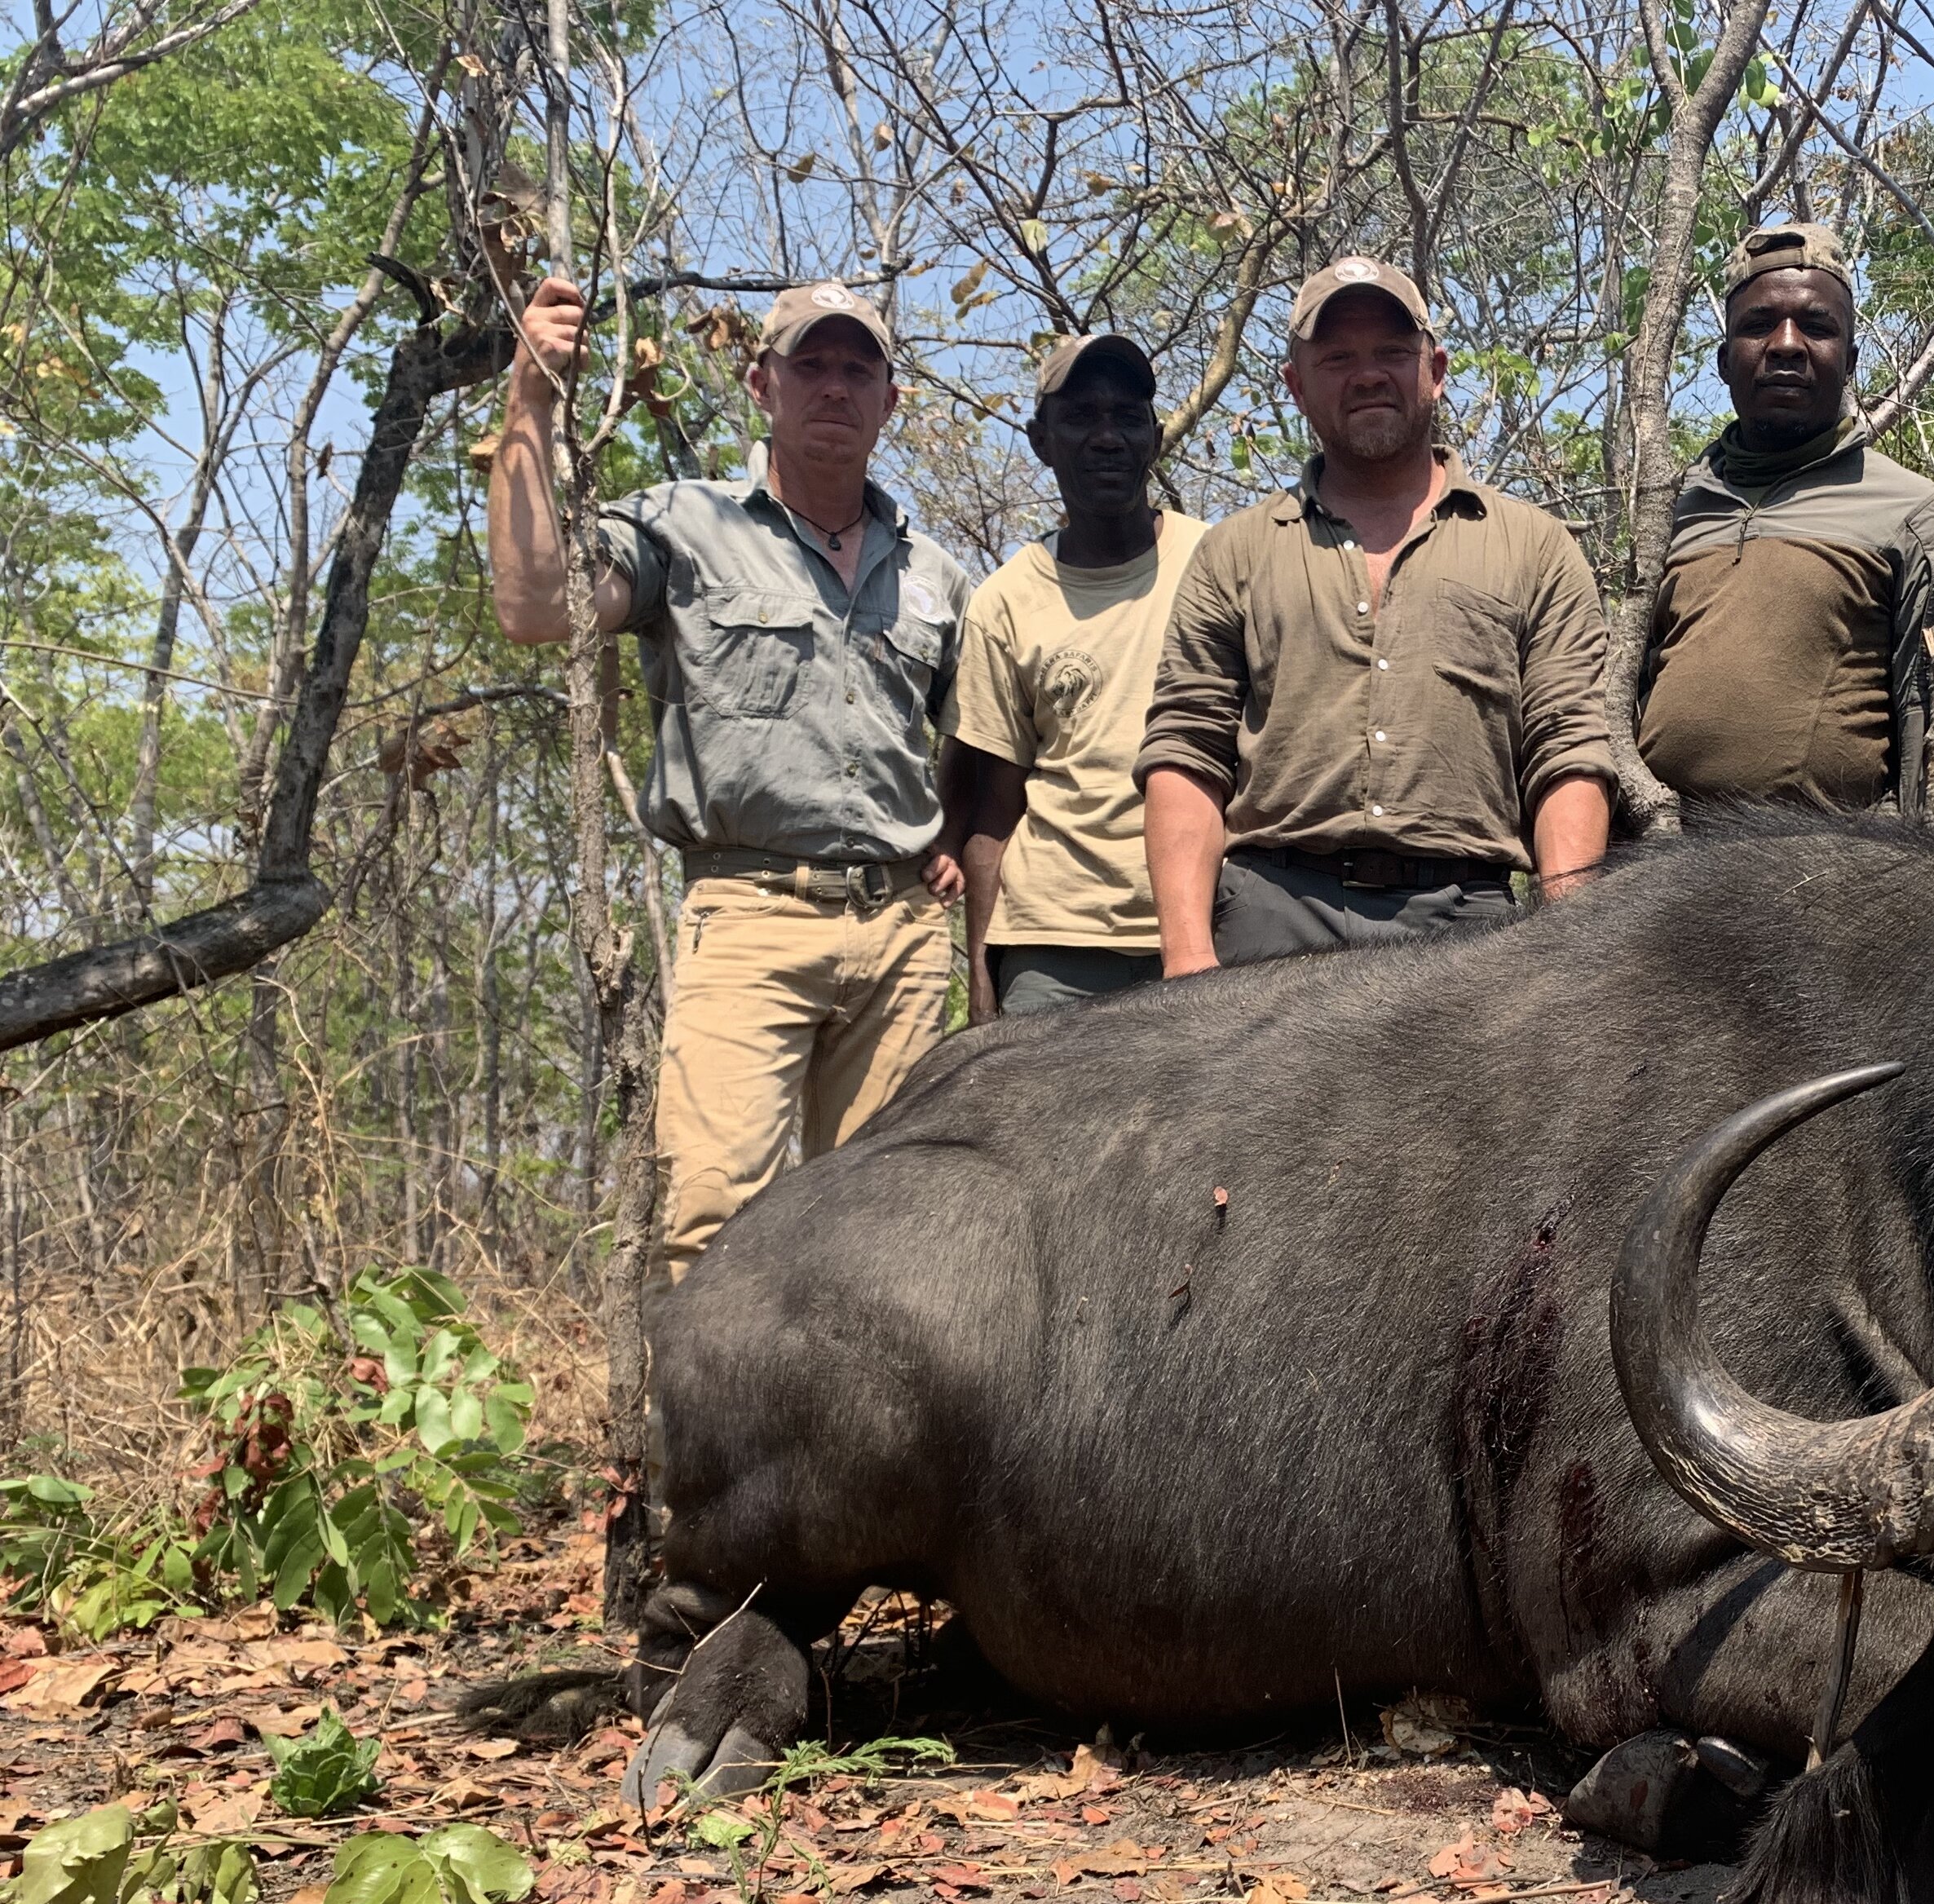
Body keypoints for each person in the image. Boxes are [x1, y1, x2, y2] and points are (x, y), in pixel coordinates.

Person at [489, 276, 968, 1279]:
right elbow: (538, 604)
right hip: (749, 914)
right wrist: (529, 400)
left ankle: (849, 1444)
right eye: (810, 365)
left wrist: (960, 841)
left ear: (890, 401)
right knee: (714, 1224)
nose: (833, 387)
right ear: (762, 383)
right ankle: (692, 1443)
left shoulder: (938, 575)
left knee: (890, 1240)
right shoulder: (685, 527)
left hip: (906, 936)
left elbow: (977, 748)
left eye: (858, 369)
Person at [1136, 254, 1613, 971]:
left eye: (1393, 352)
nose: (1367, 374)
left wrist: (1565, 948)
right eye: (1337, 358)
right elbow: (1187, 755)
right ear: (1296, 386)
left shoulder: (1535, 548)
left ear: (1437, 370)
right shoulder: (1233, 553)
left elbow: (1567, 751)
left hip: (1465, 927)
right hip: (1268, 921)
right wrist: (1187, 957)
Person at [941, 334, 1204, 1018]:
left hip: (1199, 931)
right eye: (1082, 417)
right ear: (1040, 440)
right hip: (1052, 944)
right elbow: (993, 811)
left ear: (1154, 434)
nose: (1108, 437)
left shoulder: (1218, 564)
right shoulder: (1004, 602)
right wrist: (981, 975)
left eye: (1128, 416)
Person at [1635, 222, 1934, 814]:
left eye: (1817, 327)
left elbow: (1924, 719)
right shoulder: (1671, 510)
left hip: (1819, 873)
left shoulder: (1910, 509)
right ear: (1724, 362)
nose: (1787, 344)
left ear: (1850, 360)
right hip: (1657, 861)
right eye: (1758, 325)